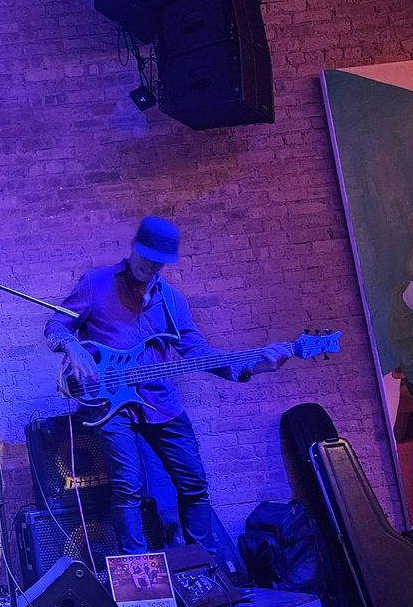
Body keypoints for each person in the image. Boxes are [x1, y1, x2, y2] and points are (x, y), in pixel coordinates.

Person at [44, 216, 288, 554]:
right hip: (109, 404)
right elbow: (56, 325)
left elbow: (199, 353)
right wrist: (72, 347)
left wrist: (256, 365)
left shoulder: (172, 301)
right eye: (146, 257)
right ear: (134, 247)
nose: (149, 266)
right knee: (128, 487)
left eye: (158, 262)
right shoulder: (95, 284)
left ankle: (204, 567)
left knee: (194, 482)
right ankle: (138, 572)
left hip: (159, 401)